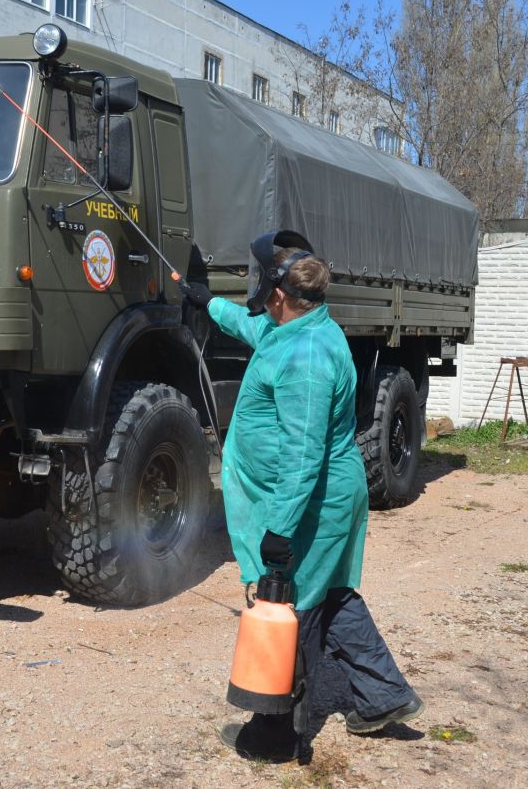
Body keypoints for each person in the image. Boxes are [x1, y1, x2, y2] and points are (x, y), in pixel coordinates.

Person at [180, 230, 424, 764]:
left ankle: (275, 736)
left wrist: (279, 529)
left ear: (276, 292)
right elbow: (250, 328)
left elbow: (304, 454)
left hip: (313, 501)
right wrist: (207, 303)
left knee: (290, 608)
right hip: (317, 498)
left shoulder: (308, 354)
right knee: (332, 596)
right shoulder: (295, 326)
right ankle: (384, 697)